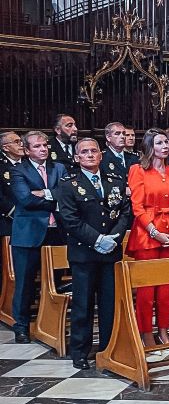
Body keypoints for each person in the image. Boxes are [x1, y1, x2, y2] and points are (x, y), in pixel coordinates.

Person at [56, 138, 131, 369]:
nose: (89, 155)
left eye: (93, 151)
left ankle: (108, 348)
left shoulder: (115, 181)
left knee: (109, 303)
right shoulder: (68, 184)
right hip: (84, 254)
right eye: (84, 152)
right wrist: (98, 240)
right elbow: (70, 220)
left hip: (111, 252)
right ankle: (80, 351)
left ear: (101, 154)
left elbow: (125, 213)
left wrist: (113, 239)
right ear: (77, 157)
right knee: (83, 304)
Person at [126, 128, 169, 349]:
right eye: (160, 143)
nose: (165, 146)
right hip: (147, 234)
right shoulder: (138, 170)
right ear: (150, 147)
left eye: (166, 143)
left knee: (165, 287)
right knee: (147, 288)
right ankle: (146, 331)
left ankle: (164, 330)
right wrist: (155, 232)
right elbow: (137, 207)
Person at [10, 131, 67, 343]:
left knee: (54, 282)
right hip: (29, 234)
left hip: (56, 233)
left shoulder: (59, 168)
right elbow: (25, 200)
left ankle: (50, 323)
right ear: (26, 151)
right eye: (37, 146)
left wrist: (44, 193)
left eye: (45, 145)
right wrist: (53, 195)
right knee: (25, 283)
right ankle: (21, 326)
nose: (43, 149)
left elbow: (66, 193)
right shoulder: (18, 171)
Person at [0, 132, 23, 236]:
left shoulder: (30, 163)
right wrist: (15, 212)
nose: (21, 144)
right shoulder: (2, 167)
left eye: (21, 141)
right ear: (6, 148)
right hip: (9, 218)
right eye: (16, 142)